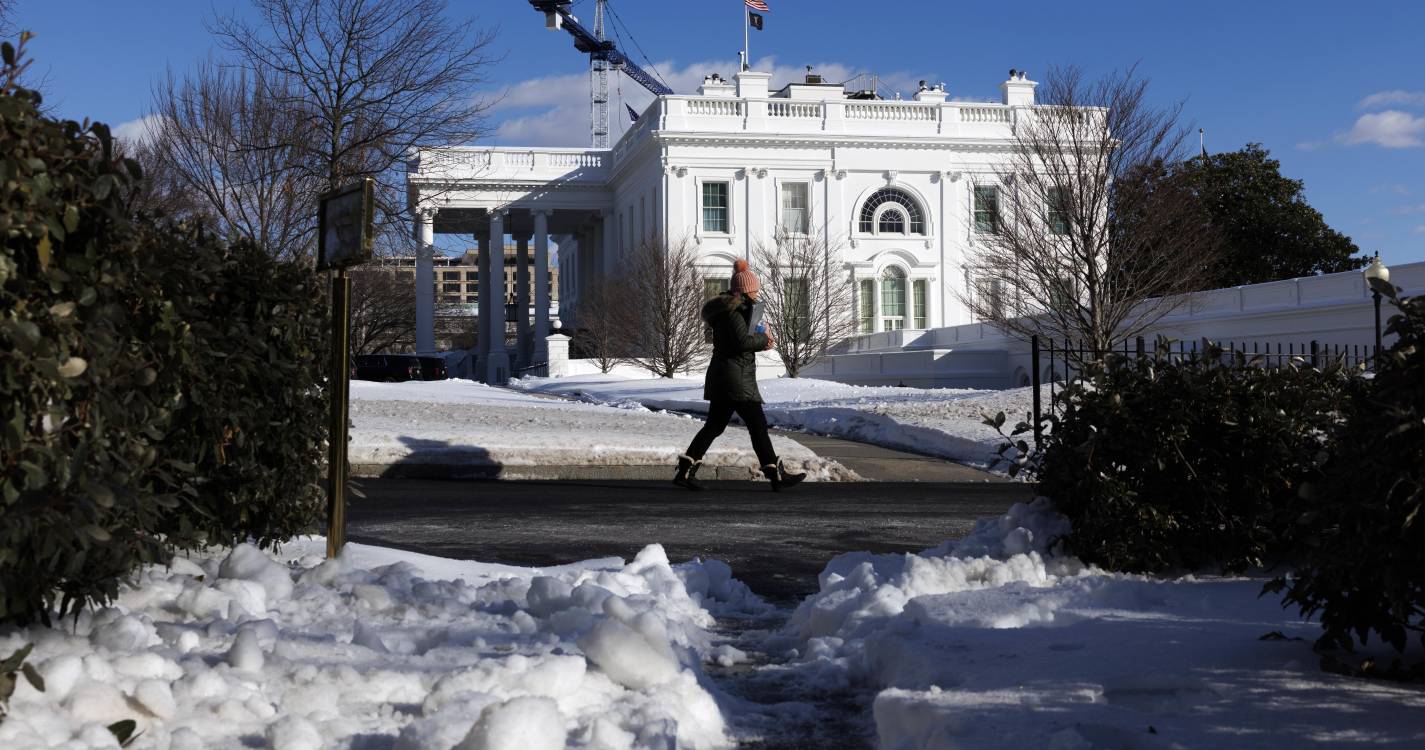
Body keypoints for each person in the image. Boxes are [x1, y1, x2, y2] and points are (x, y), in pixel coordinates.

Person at [674, 260, 806, 492]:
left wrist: (760, 336)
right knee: (758, 426)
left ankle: (685, 471)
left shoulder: (735, 312)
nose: (757, 292)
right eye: (754, 289)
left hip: (729, 376)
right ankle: (776, 476)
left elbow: (739, 342)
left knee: (715, 426)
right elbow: (741, 343)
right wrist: (764, 341)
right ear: (744, 291)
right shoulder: (734, 313)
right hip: (735, 379)